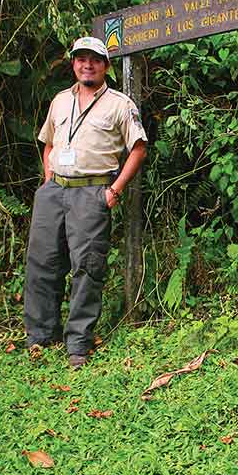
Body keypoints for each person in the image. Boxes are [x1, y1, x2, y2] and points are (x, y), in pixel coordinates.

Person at [24, 36, 147, 368]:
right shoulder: (61, 100)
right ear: (74, 63)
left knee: (87, 267)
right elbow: (48, 142)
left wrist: (114, 190)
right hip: (54, 192)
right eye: (81, 59)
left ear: (105, 65)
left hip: (92, 192)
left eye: (94, 59)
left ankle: (78, 342)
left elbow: (138, 149)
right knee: (42, 263)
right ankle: (40, 335)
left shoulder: (120, 104)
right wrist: (48, 177)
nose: (87, 64)